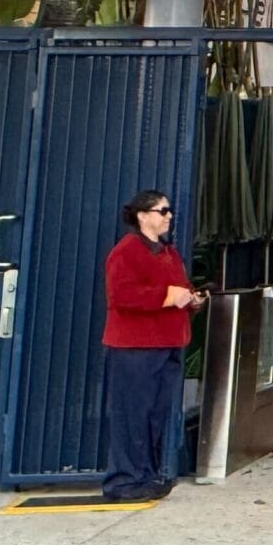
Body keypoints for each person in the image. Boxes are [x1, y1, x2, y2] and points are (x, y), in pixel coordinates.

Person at [101, 189, 205, 503]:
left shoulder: (168, 252)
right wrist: (168, 297)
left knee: (154, 414)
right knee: (133, 413)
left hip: (167, 342)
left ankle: (145, 476)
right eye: (162, 211)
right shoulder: (127, 251)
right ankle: (124, 481)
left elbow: (178, 288)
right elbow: (121, 295)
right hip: (137, 347)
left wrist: (190, 299)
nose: (168, 216)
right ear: (142, 215)